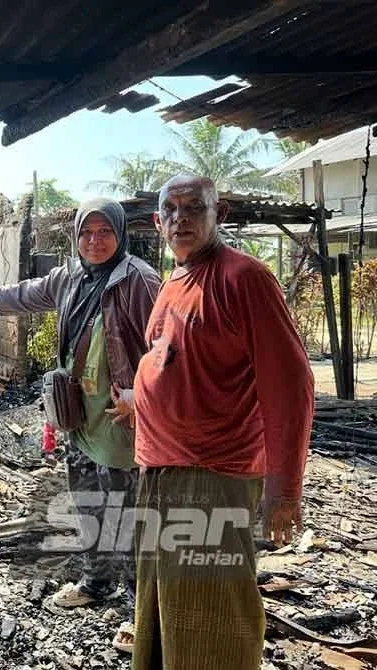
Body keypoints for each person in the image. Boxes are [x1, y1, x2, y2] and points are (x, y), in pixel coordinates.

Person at [0, 197, 161, 651]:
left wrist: (142, 397)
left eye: (104, 232)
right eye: (86, 233)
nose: (94, 241)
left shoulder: (139, 280)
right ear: (76, 237)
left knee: (128, 514)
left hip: (120, 415)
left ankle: (144, 610)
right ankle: (97, 583)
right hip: (78, 413)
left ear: (120, 234)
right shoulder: (68, 278)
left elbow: (166, 346)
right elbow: (19, 294)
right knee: (87, 502)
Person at [119, 175, 314, 670]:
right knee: (163, 603)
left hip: (214, 472)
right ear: (158, 220)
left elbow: (289, 385)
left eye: (194, 207)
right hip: (160, 468)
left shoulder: (243, 277)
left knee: (213, 613)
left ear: (219, 213)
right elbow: (168, 360)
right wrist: (137, 398)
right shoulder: (173, 282)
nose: (180, 218)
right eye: (171, 209)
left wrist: (284, 489)